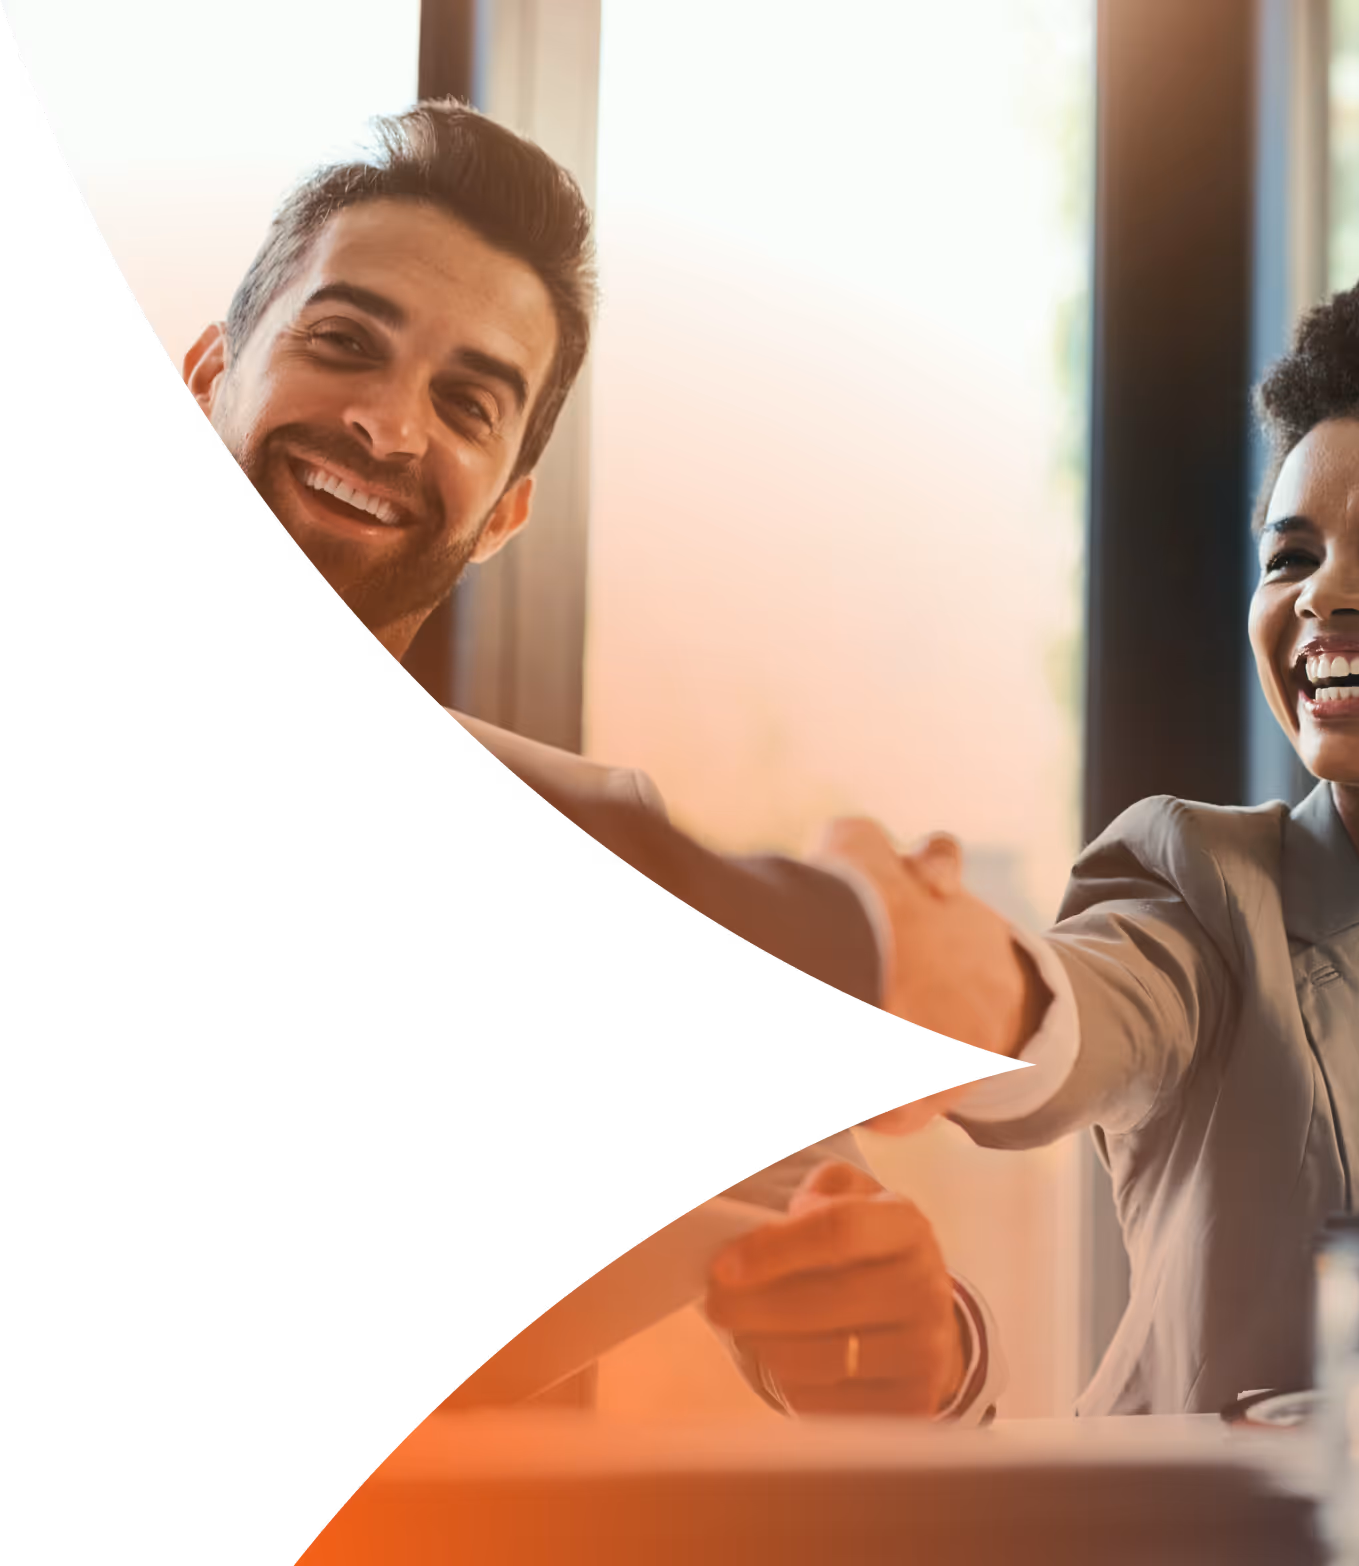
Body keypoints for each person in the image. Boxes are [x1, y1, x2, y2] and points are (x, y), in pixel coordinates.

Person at [182, 97, 1013, 1423]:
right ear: (207, 372)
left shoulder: (603, 843)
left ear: (505, 509)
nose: (388, 426)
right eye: (343, 343)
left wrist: (918, 1353)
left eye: (467, 402)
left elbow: (860, 1267)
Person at [822, 273, 1359, 1411]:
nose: (1325, 594)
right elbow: (1084, 1010)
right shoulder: (1200, 890)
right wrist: (964, 990)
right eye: (1290, 558)